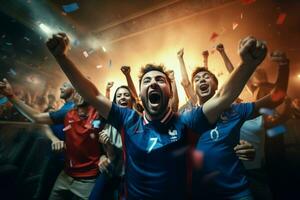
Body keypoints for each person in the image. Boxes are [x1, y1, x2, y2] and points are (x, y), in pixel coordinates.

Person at [46, 33, 266, 199]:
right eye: (147, 81)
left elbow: (223, 97)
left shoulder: (187, 121)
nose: (153, 83)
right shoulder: (128, 119)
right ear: (140, 96)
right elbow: (92, 94)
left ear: (170, 92)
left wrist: (248, 64)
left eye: (160, 80)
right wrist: (61, 57)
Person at [177, 42, 288, 199]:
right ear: (193, 90)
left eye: (207, 77)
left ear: (217, 86)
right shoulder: (186, 117)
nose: (202, 80)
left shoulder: (236, 110)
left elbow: (277, 97)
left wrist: (284, 66)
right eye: (198, 79)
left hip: (237, 192)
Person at [216, 43, 291, 199]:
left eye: (258, 72)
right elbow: (233, 76)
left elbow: (279, 96)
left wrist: (284, 117)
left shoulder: (265, 92)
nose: (256, 75)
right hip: (268, 130)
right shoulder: (247, 96)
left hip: (273, 129)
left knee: (280, 168)